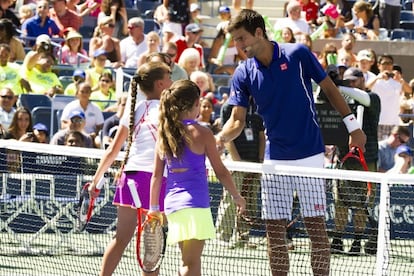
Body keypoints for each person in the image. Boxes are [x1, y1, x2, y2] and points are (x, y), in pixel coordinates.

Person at [216, 9, 366, 275]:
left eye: (241, 38)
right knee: (274, 231)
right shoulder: (243, 72)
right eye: (235, 40)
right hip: (275, 158)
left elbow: (329, 89)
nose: (237, 46)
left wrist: (353, 126)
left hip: (309, 152)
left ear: (259, 33)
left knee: (315, 227)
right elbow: (237, 121)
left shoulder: (297, 54)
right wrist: (218, 140)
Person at [149, 79, 246, 276]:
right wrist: (237, 196)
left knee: (191, 263)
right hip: (194, 207)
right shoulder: (203, 132)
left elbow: (156, 176)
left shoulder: (165, 132)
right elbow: (220, 171)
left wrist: (154, 210)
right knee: (190, 266)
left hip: (173, 207)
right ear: (194, 104)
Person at [88, 61, 172, 276]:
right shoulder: (170, 109)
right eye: (169, 77)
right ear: (161, 84)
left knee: (121, 238)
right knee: (152, 244)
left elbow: (113, 150)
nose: (173, 82)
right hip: (154, 179)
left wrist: (96, 181)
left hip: (130, 177)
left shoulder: (135, 108)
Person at [331, 67, 381, 255]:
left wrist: (338, 87)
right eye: (347, 80)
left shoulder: (373, 98)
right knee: (340, 203)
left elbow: (364, 99)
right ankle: (337, 240)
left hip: (367, 161)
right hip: (343, 159)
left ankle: (357, 242)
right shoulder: (340, 101)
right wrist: (333, 87)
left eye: (354, 80)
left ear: (362, 80)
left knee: (363, 204)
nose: (351, 83)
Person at [216, 97, 265, 248]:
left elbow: (261, 135)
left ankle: (243, 237)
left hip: (254, 165)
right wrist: (238, 162)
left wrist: (260, 161)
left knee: (249, 201)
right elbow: (227, 137)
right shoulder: (228, 107)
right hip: (236, 164)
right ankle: (222, 237)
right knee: (231, 200)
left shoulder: (258, 106)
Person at [366, 54, 402, 140]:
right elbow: (366, 88)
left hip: (393, 122)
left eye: (389, 63)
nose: (387, 66)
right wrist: (378, 77)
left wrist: (401, 79)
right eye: (384, 63)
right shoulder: (374, 79)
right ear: (379, 65)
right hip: (378, 121)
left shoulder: (397, 81)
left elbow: (409, 90)